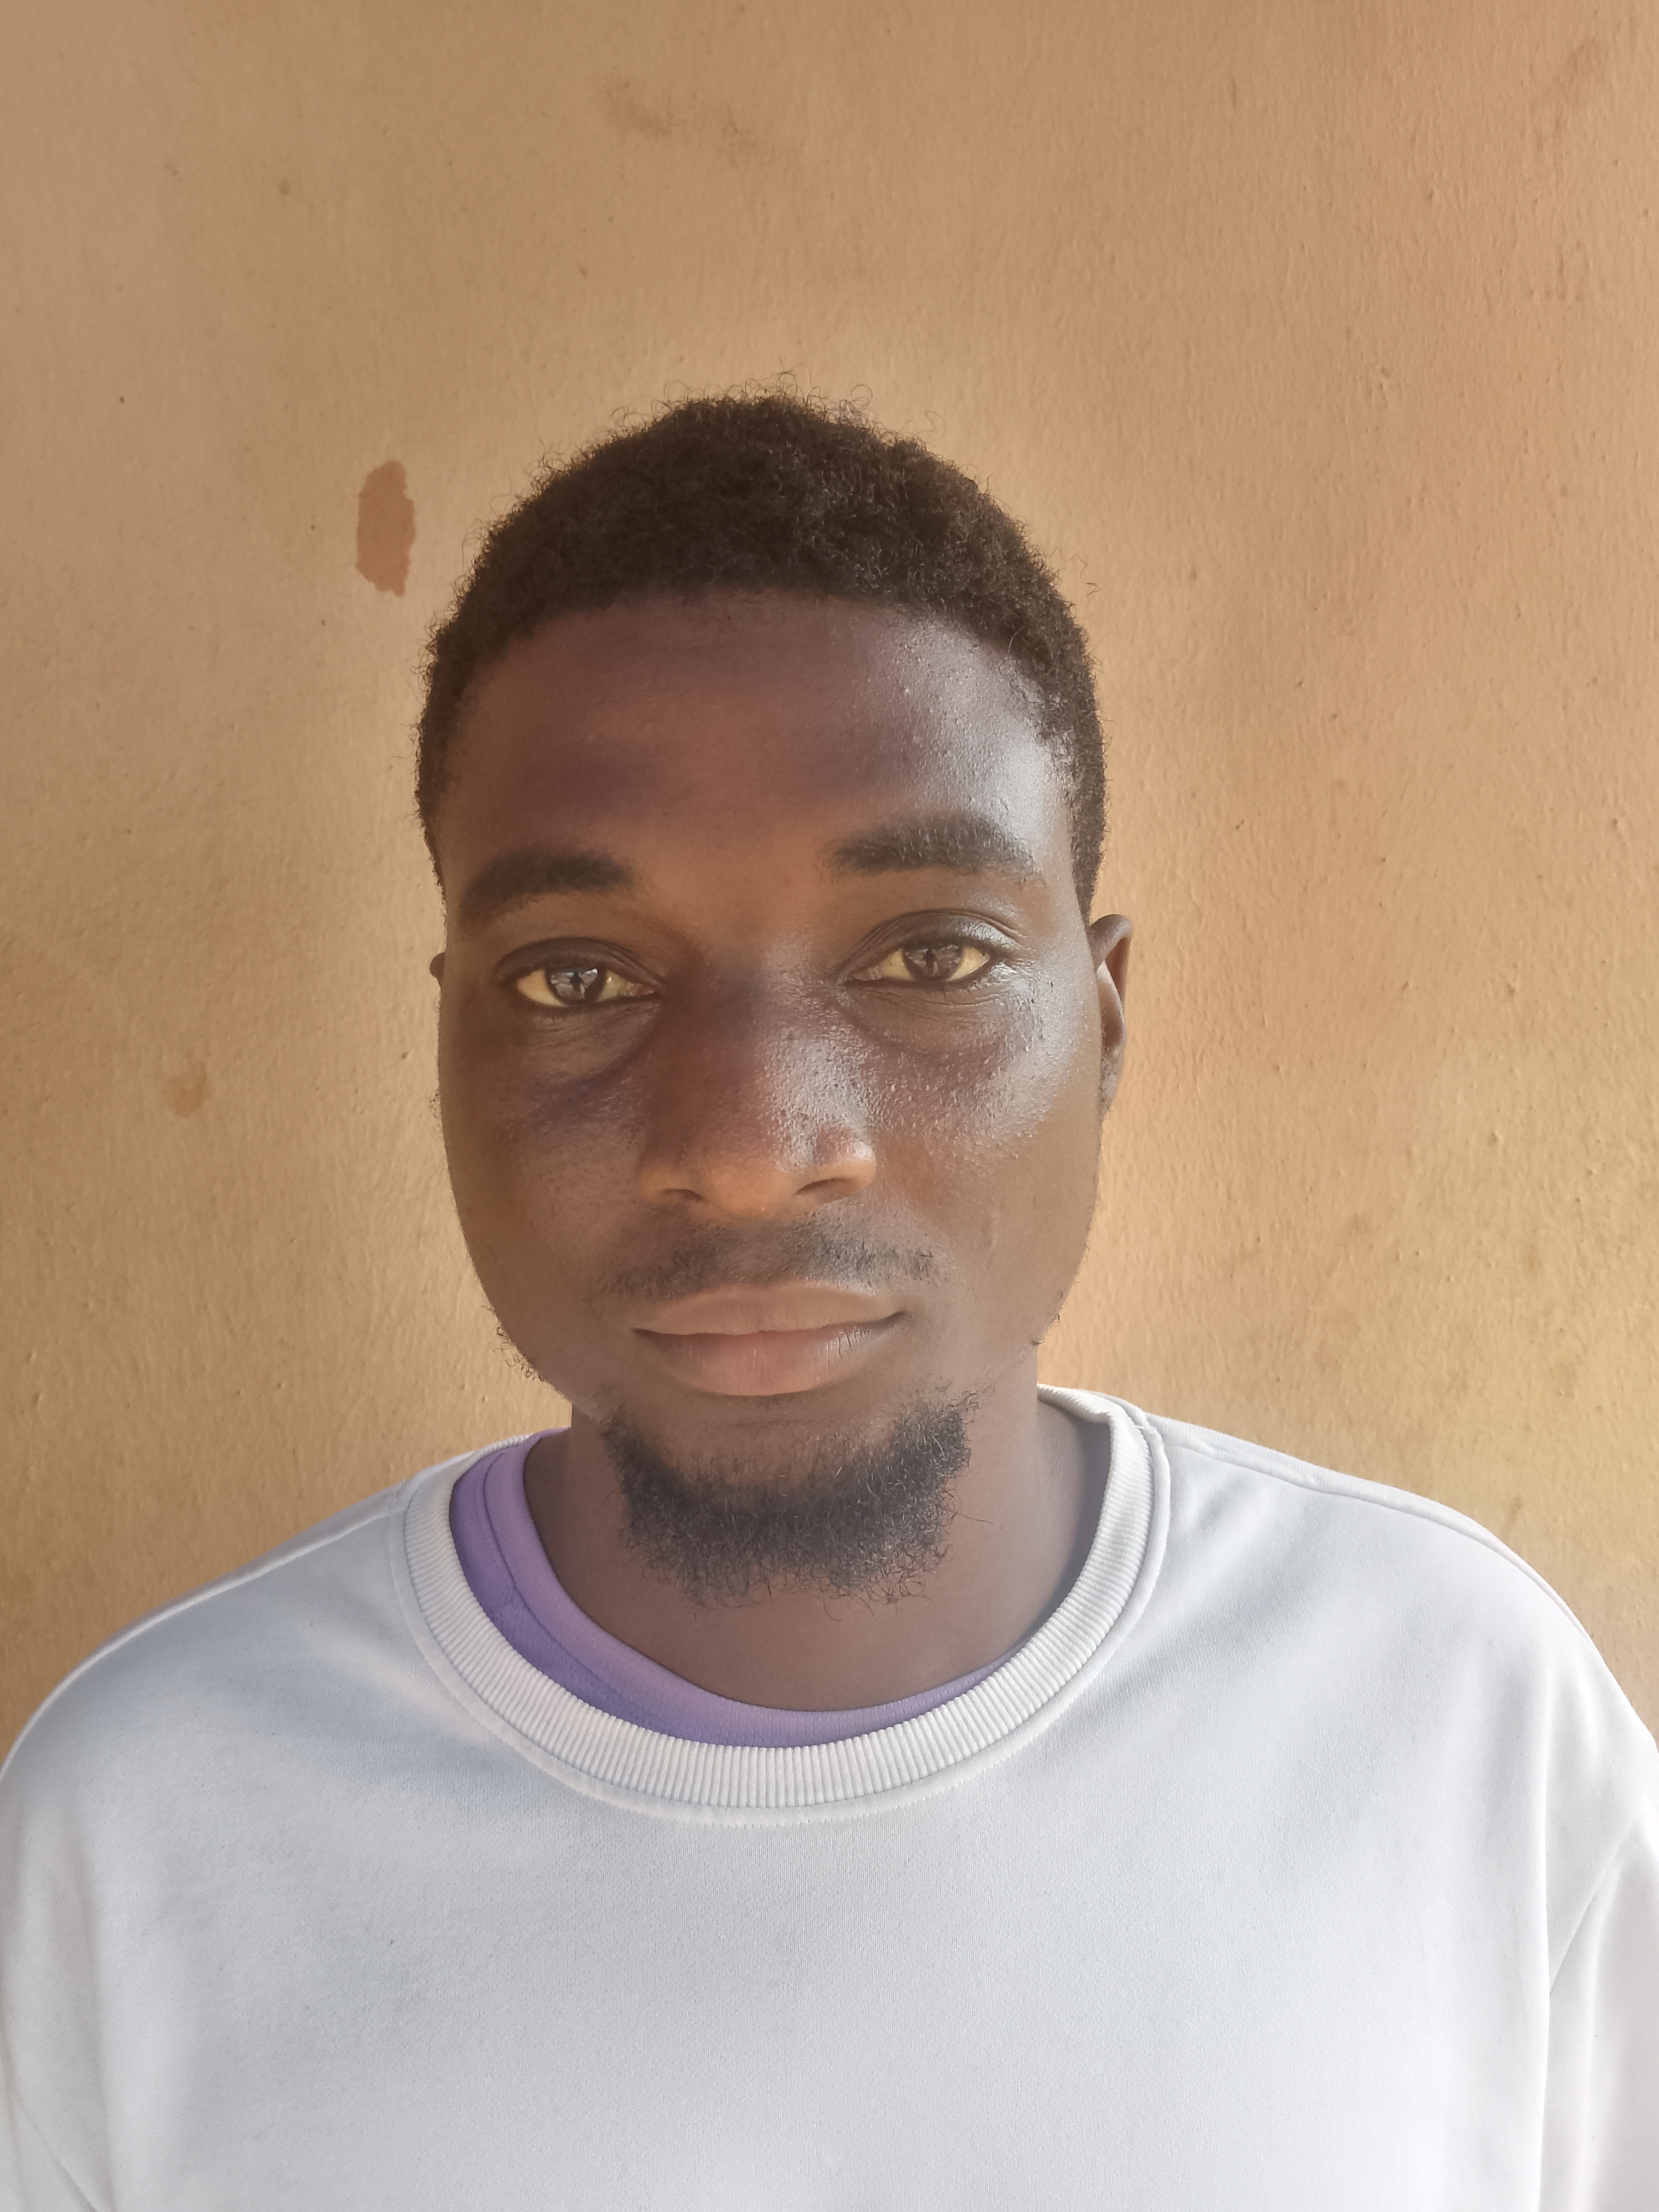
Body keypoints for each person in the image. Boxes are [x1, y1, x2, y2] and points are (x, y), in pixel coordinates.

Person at [1, 392, 1653, 2210]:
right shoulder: (139, 1837)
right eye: (575, 979)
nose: (750, 1147)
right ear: (447, 1039)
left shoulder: (1458, 1720)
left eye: (930, 955)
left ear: (1105, 1023)